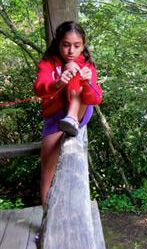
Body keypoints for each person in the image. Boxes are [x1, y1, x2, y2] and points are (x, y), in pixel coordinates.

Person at [34, 21, 102, 209]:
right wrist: (56, 83)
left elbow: (96, 98)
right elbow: (40, 89)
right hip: (56, 117)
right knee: (47, 171)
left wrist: (87, 82)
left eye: (77, 45)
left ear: (83, 45)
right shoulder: (47, 63)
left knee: (74, 69)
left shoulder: (87, 66)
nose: (71, 50)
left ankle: (71, 118)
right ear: (58, 43)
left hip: (80, 112)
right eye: (66, 45)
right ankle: (47, 218)